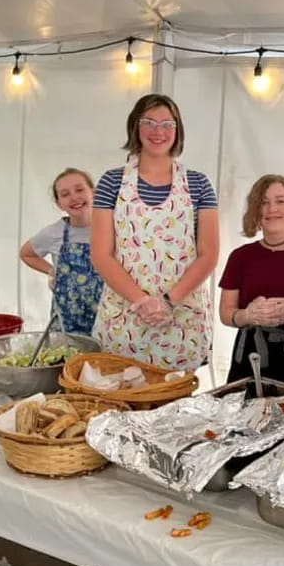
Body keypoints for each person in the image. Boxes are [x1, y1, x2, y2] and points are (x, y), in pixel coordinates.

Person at [91, 94, 219, 372]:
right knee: (122, 401)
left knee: (179, 405)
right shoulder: (111, 182)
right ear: (135, 127)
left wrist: (169, 301)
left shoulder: (199, 184)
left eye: (166, 124)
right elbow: (101, 255)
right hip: (126, 317)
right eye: (148, 122)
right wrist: (142, 300)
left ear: (178, 130)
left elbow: (209, 255)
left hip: (181, 319)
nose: (157, 131)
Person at [218, 175, 284, 385]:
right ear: (256, 212)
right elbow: (225, 313)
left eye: (280, 201)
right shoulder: (241, 256)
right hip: (249, 357)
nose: (272, 208)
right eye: (263, 202)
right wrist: (247, 315)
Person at [19, 168, 103, 335]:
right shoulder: (54, 233)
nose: (74, 197)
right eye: (65, 194)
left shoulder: (112, 227)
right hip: (66, 325)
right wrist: (52, 270)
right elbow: (26, 253)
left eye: (79, 190)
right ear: (59, 204)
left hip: (105, 321)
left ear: (94, 192)